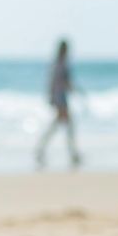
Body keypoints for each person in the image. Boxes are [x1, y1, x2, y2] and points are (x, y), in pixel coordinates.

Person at [34, 39, 81, 171]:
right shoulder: (61, 65)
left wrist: (51, 97)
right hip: (61, 100)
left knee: (59, 127)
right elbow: (63, 82)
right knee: (66, 127)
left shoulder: (56, 64)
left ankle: (41, 150)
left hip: (59, 99)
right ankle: (72, 154)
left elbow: (52, 83)